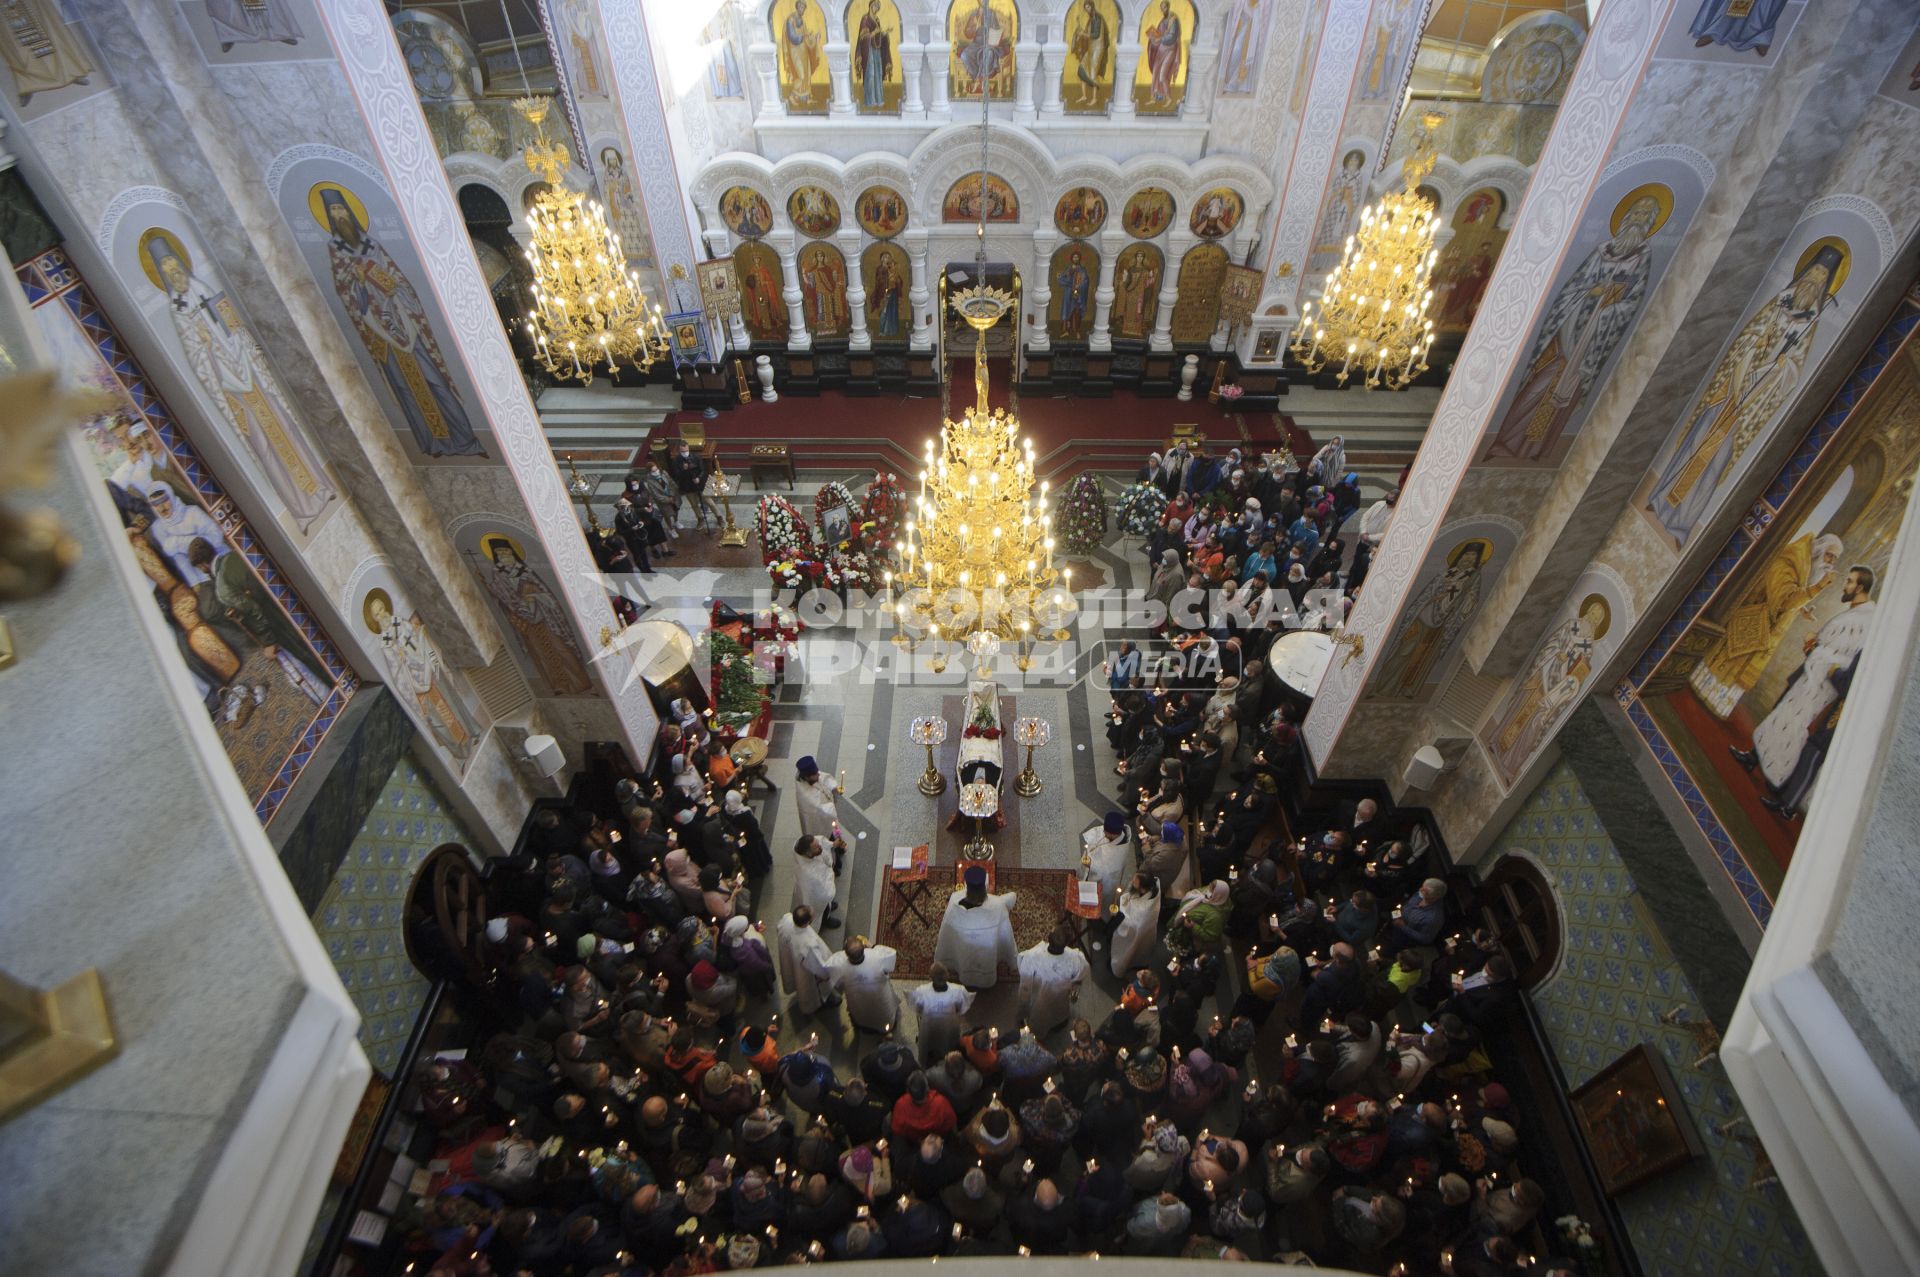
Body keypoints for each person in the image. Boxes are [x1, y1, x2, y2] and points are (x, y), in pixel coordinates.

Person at [933, 866, 1019, 990]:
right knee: (1010, 897)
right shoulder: (997, 905)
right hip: (987, 949)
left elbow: (946, 934)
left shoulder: (955, 899)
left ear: (967, 887)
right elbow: (1006, 936)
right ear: (984, 887)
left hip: (963, 949)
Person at [1017, 926, 1090, 1036]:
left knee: (1040, 1015)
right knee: (1058, 1011)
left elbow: (1025, 977)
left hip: (1040, 999)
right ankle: (1058, 1024)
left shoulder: (1033, 956)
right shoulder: (1075, 957)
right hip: (1060, 997)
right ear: (1066, 944)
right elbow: (1083, 972)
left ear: (1048, 939)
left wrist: (1024, 1003)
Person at [826, 936, 899, 1033]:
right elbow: (891, 954)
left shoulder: (839, 963)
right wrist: (872, 946)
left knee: (860, 1012)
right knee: (883, 1012)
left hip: (857, 1000)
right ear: (864, 949)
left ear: (846, 954)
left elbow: (833, 977)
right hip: (880, 999)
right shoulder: (876, 956)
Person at [904, 963, 974, 1062]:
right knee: (950, 1043)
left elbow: (918, 1009)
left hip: (929, 1026)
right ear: (947, 975)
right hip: (950, 1025)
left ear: (931, 977)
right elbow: (961, 1009)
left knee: (927, 1045)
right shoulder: (958, 990)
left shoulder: (922, 991)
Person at [1110, 873, 1161, 978]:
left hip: (1135, 932)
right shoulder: (1152, 883)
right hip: (1130, 919)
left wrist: (1118, 914)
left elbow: (1134, 924)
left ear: (1142, 889)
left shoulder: (1145, 908)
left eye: (1134, 883)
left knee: (1127, 950)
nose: (1131, 882)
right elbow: (1130, 895)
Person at [790, 835, 841, 932]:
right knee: (821, 909)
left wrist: (832, 844)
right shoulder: (809, 874)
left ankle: (828, 906)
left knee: (827, 903)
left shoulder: (799, 847)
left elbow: (821, 841)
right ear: (808, 853)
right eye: (817, 847)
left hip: (817, 886)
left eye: (817, 843)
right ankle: (826, 919)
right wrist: (830, 871)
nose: (820, 846)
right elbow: (827, 894)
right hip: (814, 895)